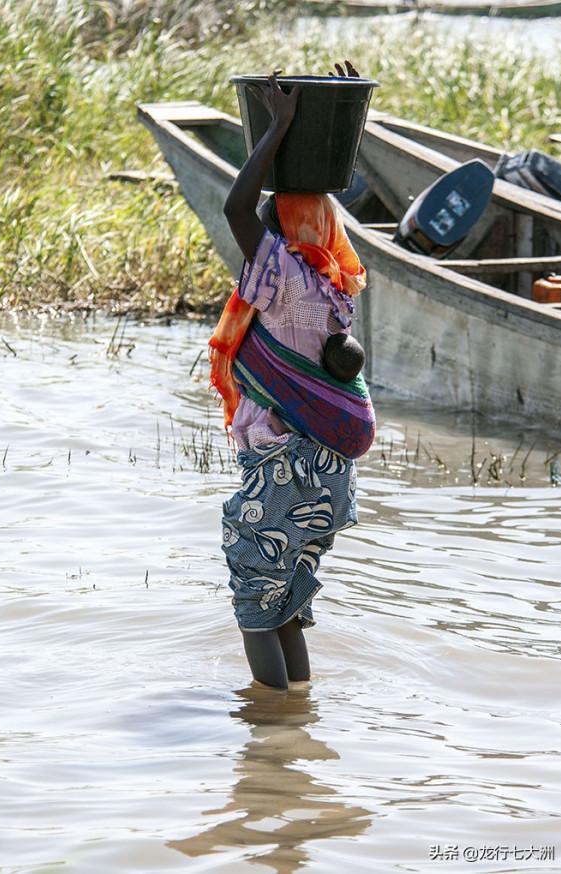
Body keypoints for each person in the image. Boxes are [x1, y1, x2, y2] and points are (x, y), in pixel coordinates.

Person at [209, 66, 375, 691]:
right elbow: (303, 204)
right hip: (331, 476)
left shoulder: (285, 280)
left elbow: (235, 207)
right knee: (285, 605)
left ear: (284, 233)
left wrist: (278, 128)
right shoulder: (338, 286)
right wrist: (345, 120)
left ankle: (272, 729)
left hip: (286, 469)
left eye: (274, 219)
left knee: (255, 601)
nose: (266, 225)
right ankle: (299, 718)